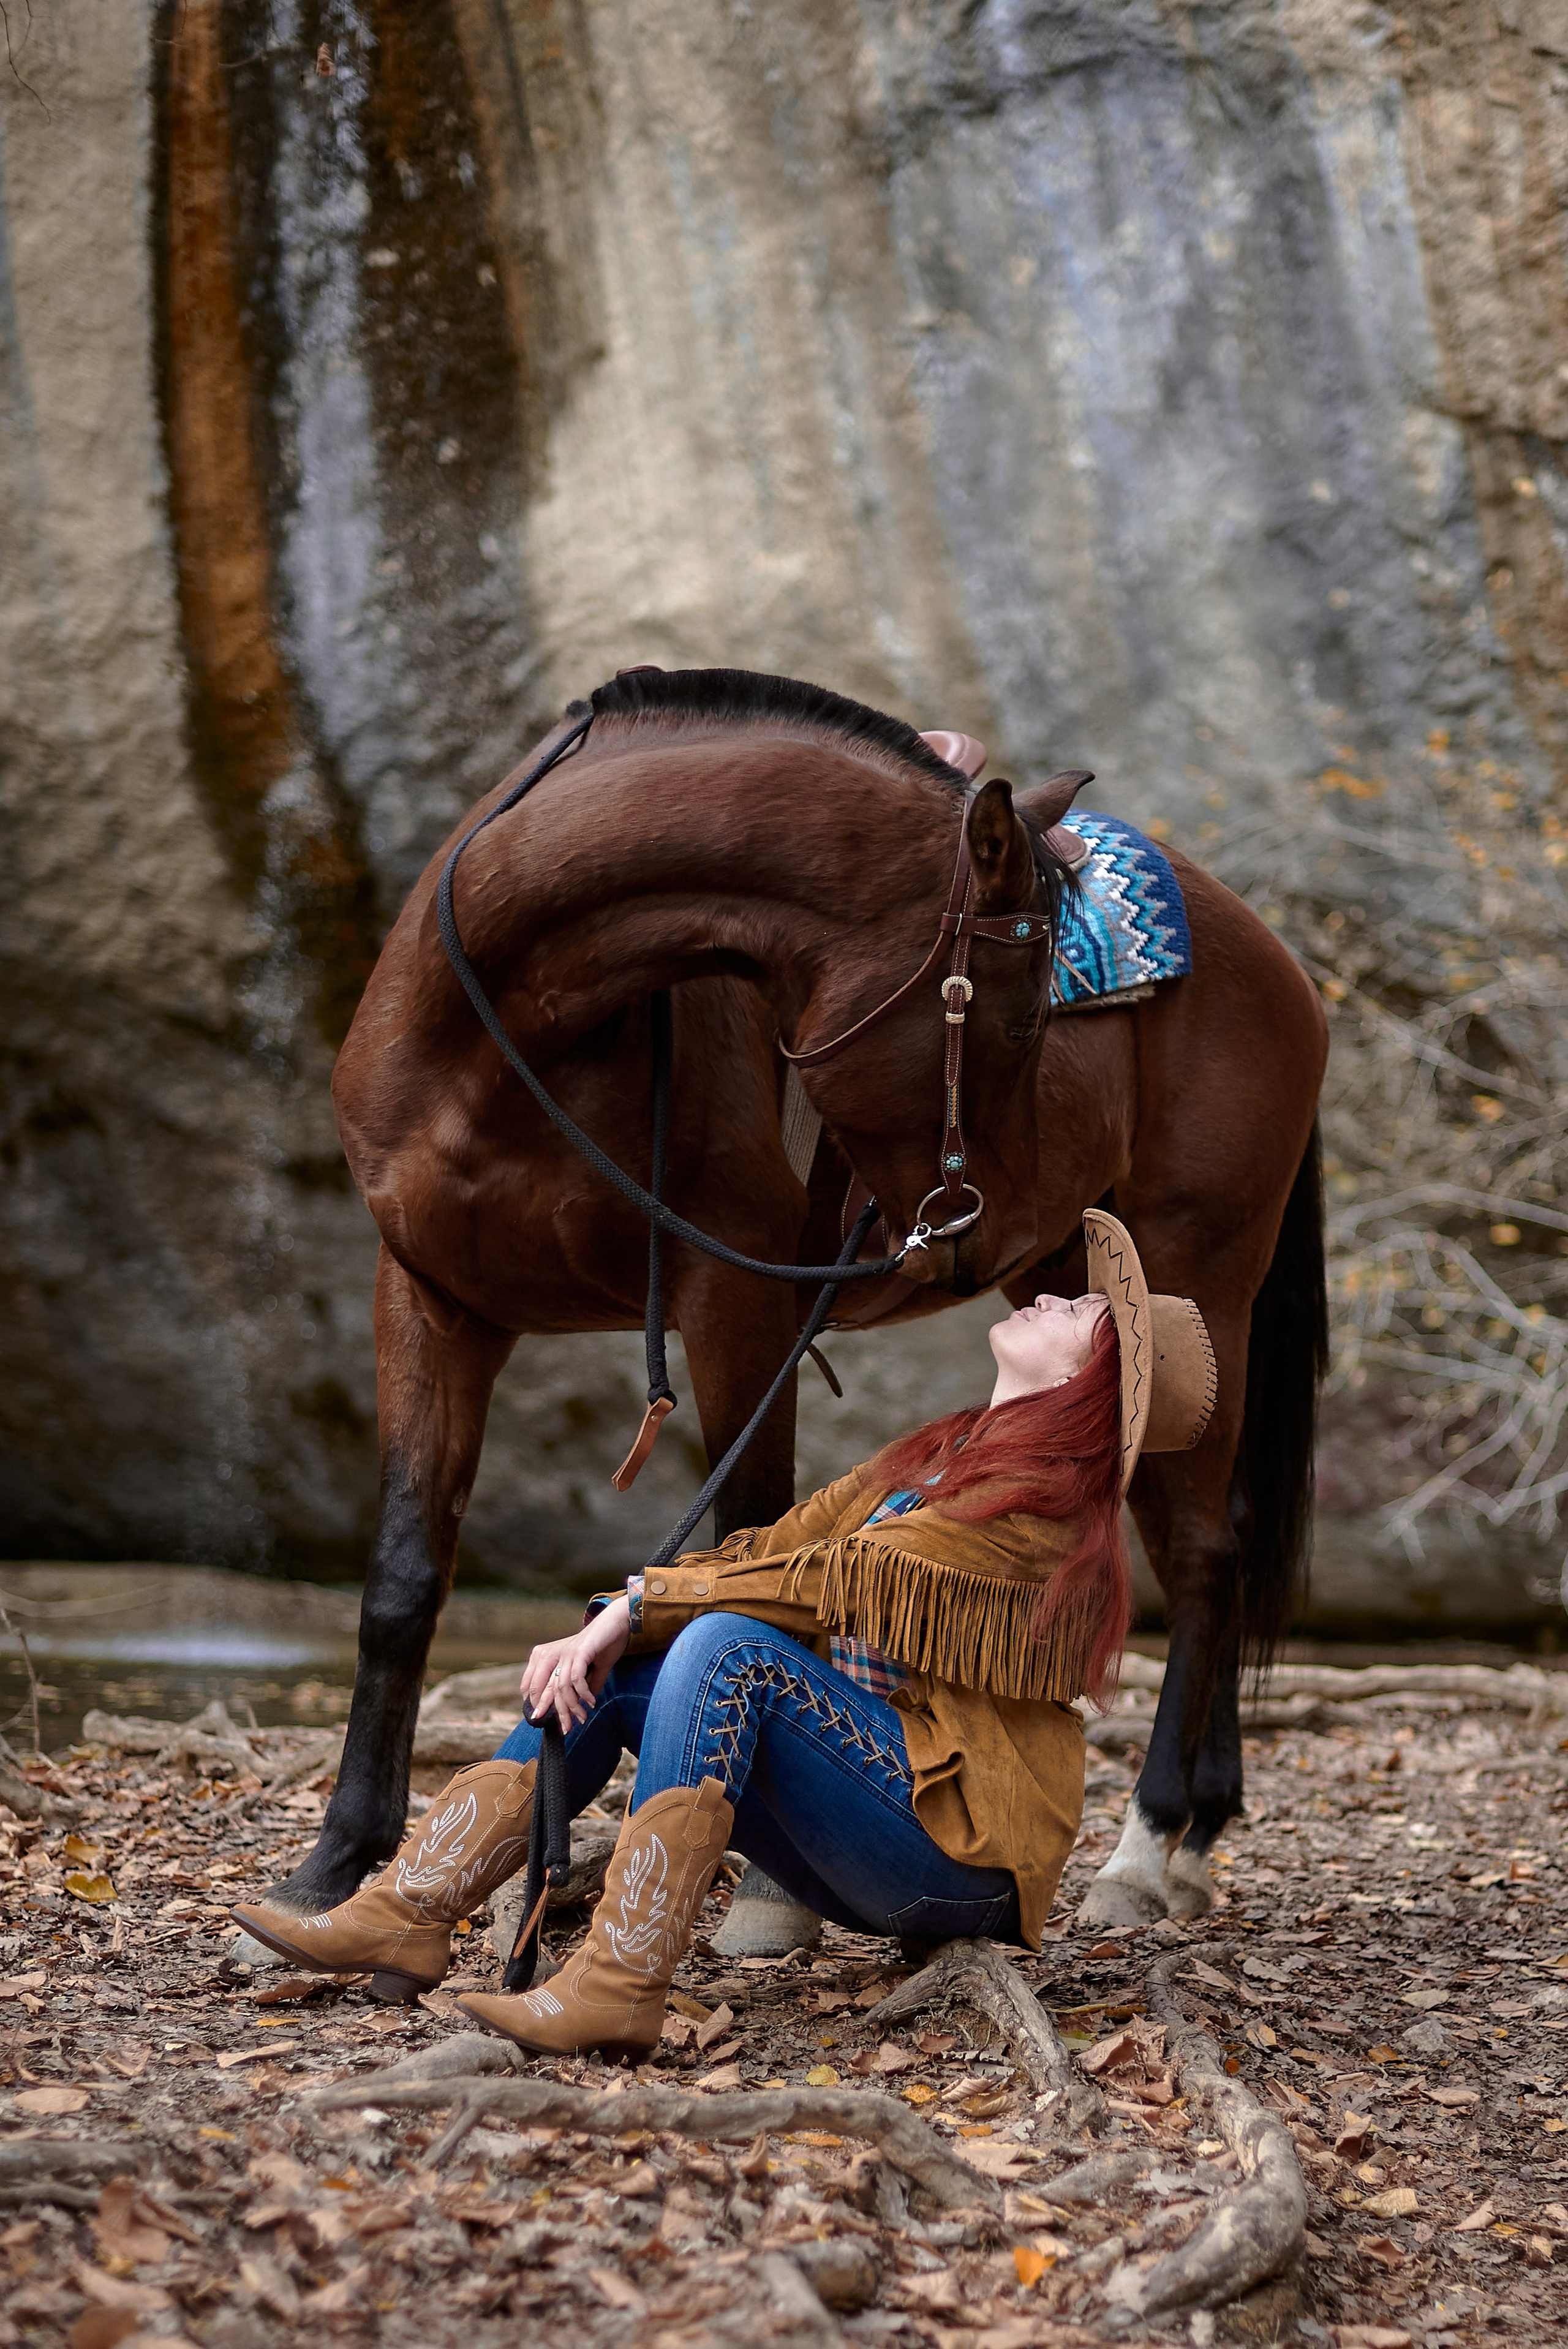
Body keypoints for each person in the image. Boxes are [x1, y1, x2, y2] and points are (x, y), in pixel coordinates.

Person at [232, 1211, 1214, 2057]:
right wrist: (630, 1616)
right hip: (879, 1811)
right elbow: (778, 1543)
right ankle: (409, 1911)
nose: (1050, 1299)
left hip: (959, 1865)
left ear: (1090, 1377)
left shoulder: (1040, 1517)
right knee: (641, 1668)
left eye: (1080, 1312)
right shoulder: (944, 1457)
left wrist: (636, 1607)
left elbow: (828, 1580)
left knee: (724, 1647)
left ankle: (621, 1982)